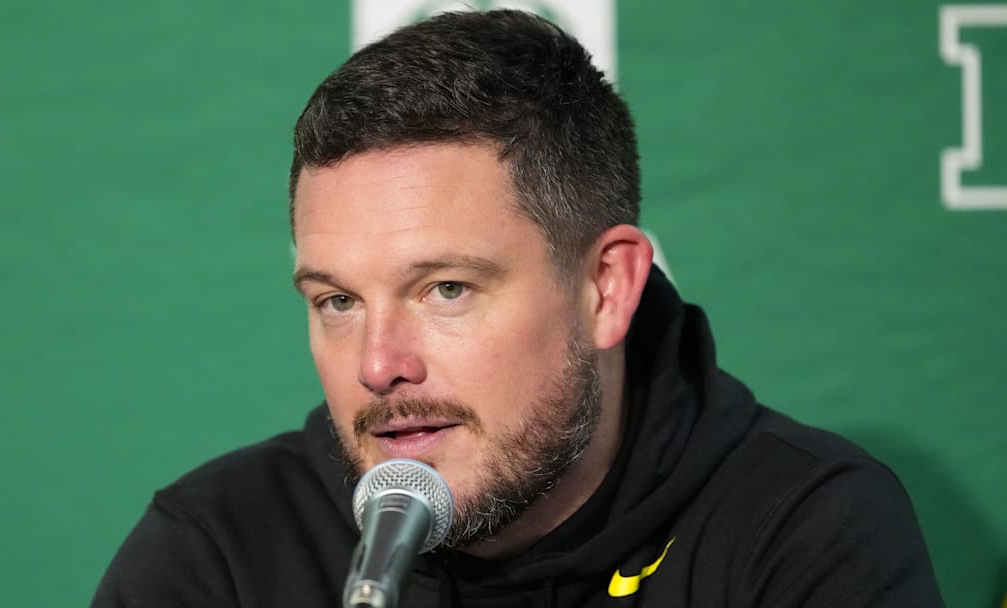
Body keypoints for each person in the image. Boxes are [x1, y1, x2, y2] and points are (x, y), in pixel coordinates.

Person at [92, 9, 944, 607]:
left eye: (446, 290)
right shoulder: (218, 550)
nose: (378, 364)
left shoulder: (802, 530)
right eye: (338, 300)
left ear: (606, 288)